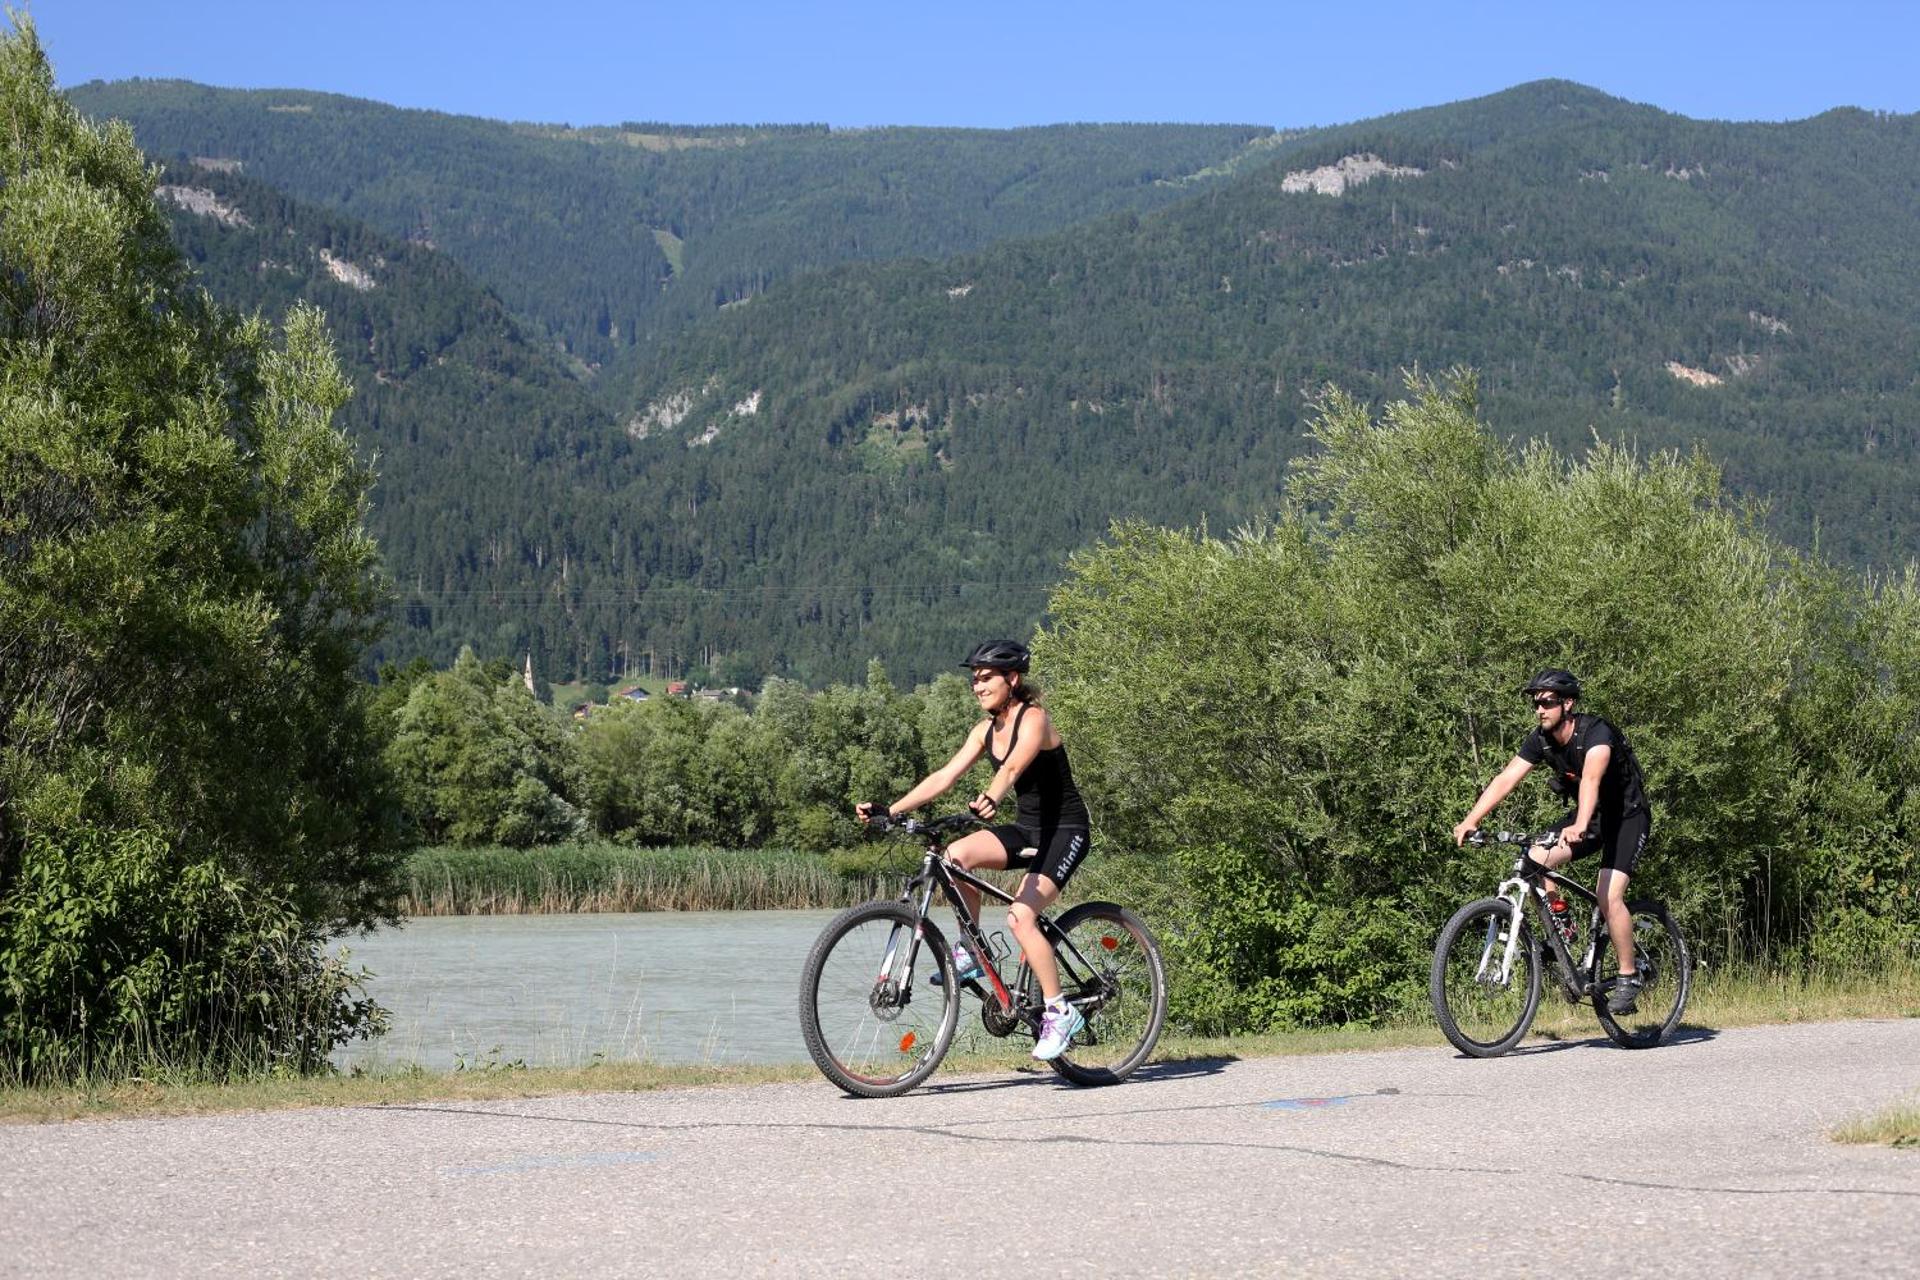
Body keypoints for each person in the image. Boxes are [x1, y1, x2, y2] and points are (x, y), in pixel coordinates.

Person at [856, 639, 1093, 1060]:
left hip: (1065, 830)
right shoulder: (984, 730)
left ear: (1012, 679)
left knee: (1021, 917)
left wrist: (991, 796)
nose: (977, 686)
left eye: (986, 679)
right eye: (975, 680)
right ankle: (970, 951)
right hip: (1027, 829)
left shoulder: (1034, 718)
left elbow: (1014, 767)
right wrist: (891, 810)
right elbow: (944, 776)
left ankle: (1060, 1012)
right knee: (954, 857)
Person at [1452, 669, 1652, 1013]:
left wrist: (1580, 824)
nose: (1539, 709)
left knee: (1608, 895)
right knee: (1534, 859)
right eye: (1536, 703)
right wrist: (1472, 819)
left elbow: (1590, 780)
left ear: (1568, 703)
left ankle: (1628, 975)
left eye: (1547, 702)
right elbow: (1506, 778)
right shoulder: (1541, 740)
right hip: (1591, 816)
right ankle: (1562, 923)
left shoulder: (1596, 733)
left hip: (1627, 816)